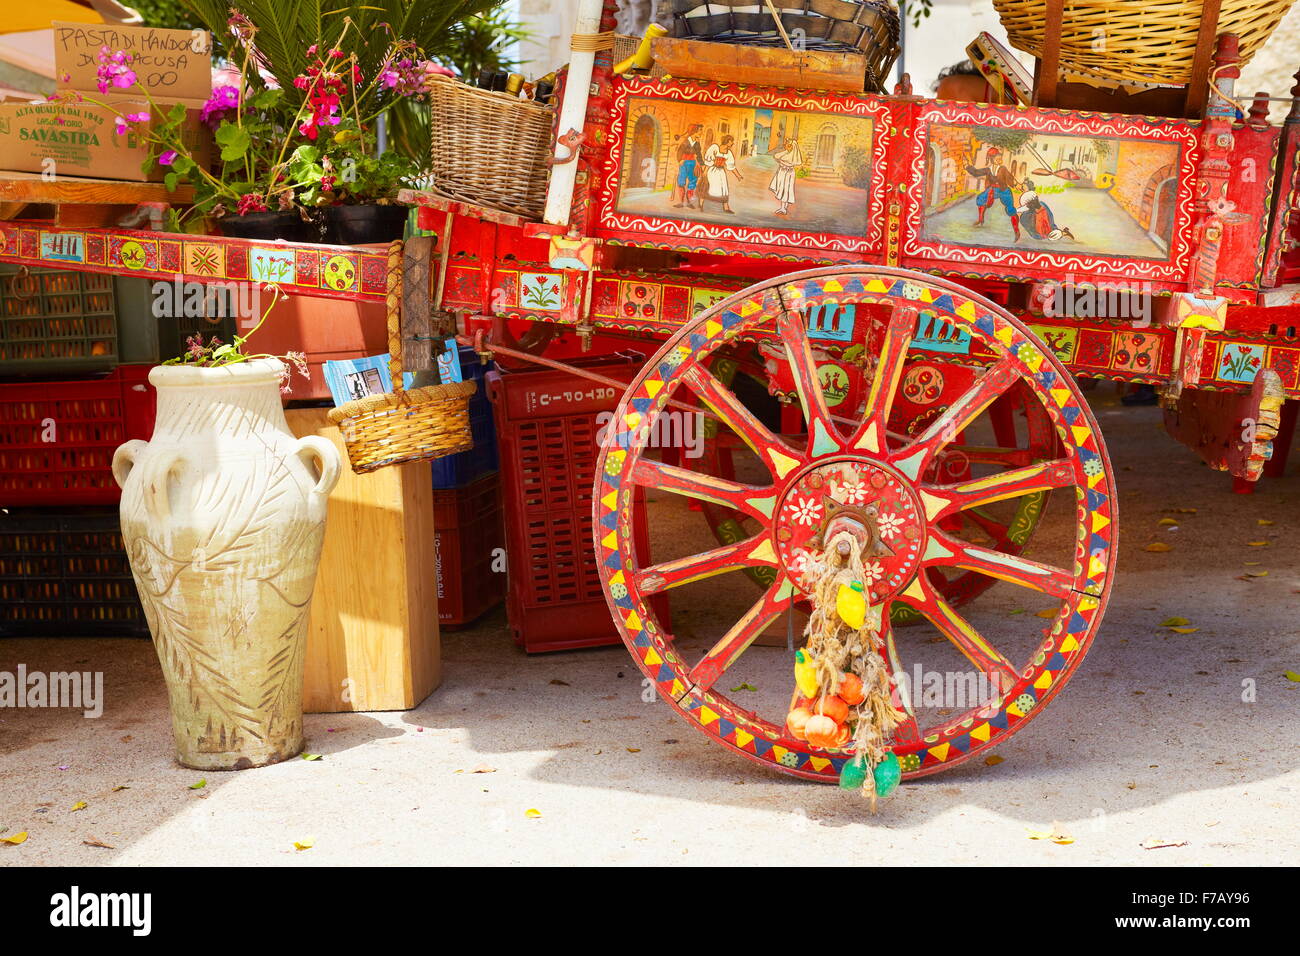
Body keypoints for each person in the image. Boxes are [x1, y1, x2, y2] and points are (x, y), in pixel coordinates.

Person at [966, 147, 1021, 239]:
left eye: (1000, 158)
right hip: (993, 190)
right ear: (992, 160)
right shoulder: (988, 170)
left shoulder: (1003, 169)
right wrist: (968, 166)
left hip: (1004, 190)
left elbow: (1010, 178)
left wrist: (1017, 185)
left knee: (1010, 209)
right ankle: (980, 219)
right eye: (997, 159)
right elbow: (976, 173)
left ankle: (1017, 231)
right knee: (981, 199)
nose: (1000, 161)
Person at [702, 134, 742, 213]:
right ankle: (702, 205)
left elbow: (731, 166)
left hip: (721, 172)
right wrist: (705, 172)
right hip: (712, 171)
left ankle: (726, 207)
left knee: (724, 188)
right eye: (731, 142)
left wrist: (738, 176)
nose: (732, 143)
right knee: (707, 186)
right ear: (727, 142)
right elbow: (708, 162)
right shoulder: (714, 148)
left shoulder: (729, 153)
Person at [768, 133, 803, 216]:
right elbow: (776, 156)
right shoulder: (786, 153)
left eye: (789, 145)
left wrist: (781, 161)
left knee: (786, 189)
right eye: (787, 144)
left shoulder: (793, 155)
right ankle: (784, 207)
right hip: (782, 172)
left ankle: (783, 208)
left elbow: (788, 161)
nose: (787, 146)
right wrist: (782, 157)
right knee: (781, 188)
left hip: (787, 173)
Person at [671, 123, 703, 209]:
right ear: (694, 131)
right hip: (684, 163)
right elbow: (680, 151)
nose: (701, 133)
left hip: (693, 163)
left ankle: (689, 201)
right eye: (699, 131)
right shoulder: (686, 141)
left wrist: (701, 164)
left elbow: (699, 154)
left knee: (693, 181)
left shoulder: (697, 143)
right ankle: (681, 202)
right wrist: (680, 160)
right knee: (681, 180)